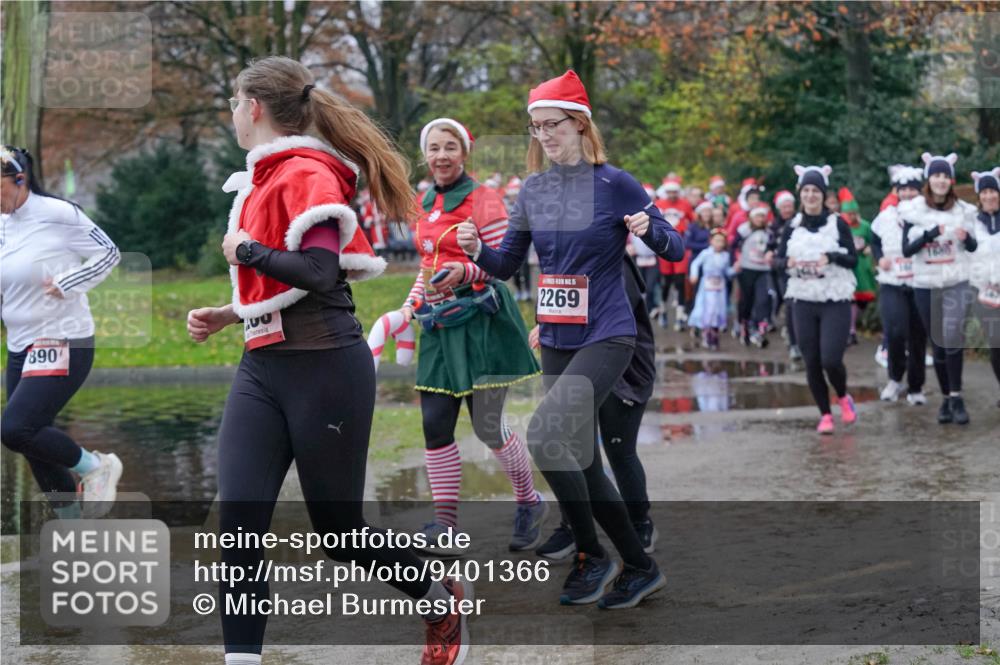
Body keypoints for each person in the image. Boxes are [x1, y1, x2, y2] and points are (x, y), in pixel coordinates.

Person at [185, 56, 470, 665]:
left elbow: (318, 272)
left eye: (234, 103)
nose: (232, 115)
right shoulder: (267, 175)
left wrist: (245, 250)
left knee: (340, 534)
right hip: (262, 367)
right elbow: (286, 283)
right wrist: (233, 312)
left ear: (253, 107)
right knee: (236, 531)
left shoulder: (308, 171)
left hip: (325, 368)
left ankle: (437, 598)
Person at [456, 70, 682, 609]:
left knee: (545, 434)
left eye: (552, 124)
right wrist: (477, 251)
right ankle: (621, 562)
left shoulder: (615, 183)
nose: (543, 135)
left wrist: (650, 231)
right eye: (535, 127)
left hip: (608, 331)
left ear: (579, 123)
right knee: (576, 456)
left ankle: (605, 555)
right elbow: (507, 264)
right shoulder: (533, 190)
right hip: (557, 334)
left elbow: (674, 246)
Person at [400, 118, 545, 555]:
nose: (441, 155)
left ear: (464, 152)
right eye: (434, 147)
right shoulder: (423, 203)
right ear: (425, 154)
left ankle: (529, 501)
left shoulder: (484, 199)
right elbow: (427, 268)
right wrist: (409, 305)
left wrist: (465, 271)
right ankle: (445, 525)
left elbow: (504, 264)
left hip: (482, 320)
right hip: (439, 325)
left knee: (487, 426)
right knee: (434, 424)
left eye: (450, 147)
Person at [1, 145, 123, 520]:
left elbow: (109, 252)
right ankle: (74, 529)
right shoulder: (3, 224)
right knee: (34, 440)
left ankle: (96, 466)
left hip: (62, 337)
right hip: (20, 345)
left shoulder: (58, 213)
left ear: (19, 179)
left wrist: (69, 282)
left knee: (15, 429)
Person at [528, 254, 664, 560]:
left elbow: (610, 317)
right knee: (575, 451)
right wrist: (544, 325)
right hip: (576, 363)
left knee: (619, 450)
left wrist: (554, 325)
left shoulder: (613, 261)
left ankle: (640, 522)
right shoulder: (561, 256)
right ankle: (572, 526)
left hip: (624, 370)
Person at [773, 165, 859, 434]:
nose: (810, 195)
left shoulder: (837, 223)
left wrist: (831, 257)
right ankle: (825, 415)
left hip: (834, 298)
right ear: (801, 194)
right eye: (806, 190)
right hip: (802, 299)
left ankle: (843, 396)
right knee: (811, 361)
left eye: (816, 191)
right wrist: (787, 262)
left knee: (830, 360)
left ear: (823, 195)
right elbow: (777, 261)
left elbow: (853, 259)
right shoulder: (792, 225)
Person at [901, 152, 978, 425]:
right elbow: (906, 249)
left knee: (952, 335)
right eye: (936, 175)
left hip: (956, 281)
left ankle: (957, 397)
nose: (941, 180)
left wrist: (966, 238)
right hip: (926, 284)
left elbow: (973, 246)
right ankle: (946, 398)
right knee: (939, 344)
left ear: (951, 180)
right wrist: (930, 234)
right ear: (928, 179)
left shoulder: (963, 210)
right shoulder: (913, 210)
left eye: (946, 176)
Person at [870, 165, 927, 404]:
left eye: (912, 190)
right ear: (896, 191)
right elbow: (874, 240)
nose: (907, 194)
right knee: (895, 331)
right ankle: (894, 379)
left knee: (917, 337)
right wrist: (879, 257)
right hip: (892, 282)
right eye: (902, 190)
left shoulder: (928, 215)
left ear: (919, 191)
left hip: (921, 283)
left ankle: (916, 387)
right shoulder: (886, 216)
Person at [969, 167, 1000, 402]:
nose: (989, 196)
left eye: (993, 191)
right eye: (984, 192)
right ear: (979, 196)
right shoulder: (971, 223)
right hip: (984, 293)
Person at [732, 204, 775, 347]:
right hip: (746, 269)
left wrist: (771, 253)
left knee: (763, 299)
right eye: (757, 216)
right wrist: (736, 260)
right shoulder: (744, 230)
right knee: (746, 300)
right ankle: (744, 325)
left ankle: (760, 328)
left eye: (762, 216)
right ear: (751, 217)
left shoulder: (769, 232)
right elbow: (733, 245)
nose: (760, 219)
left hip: (763, 269)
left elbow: (773, 247)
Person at [689, 229, 739, 349]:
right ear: (711, 241)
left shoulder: (725, 256)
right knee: (708, 310)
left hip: (720, 288)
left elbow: (726, 272)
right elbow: (695, 263)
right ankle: (706, 334)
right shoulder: (706, 253)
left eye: (721, 241)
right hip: (707, 287)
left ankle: (715, 335)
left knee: (718, 310)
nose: (719, 244)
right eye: (716, 240)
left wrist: (735, 270)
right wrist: (694, 274)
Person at [838, 187, 876, 346]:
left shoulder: (865, 226)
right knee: (850, 299)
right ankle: (850, 330)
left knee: (862, 301)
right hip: (846, 265)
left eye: (854, 213)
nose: (851, 217)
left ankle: (851, 326)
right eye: (848, 214)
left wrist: (870, 248)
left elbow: (874, 242)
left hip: (861, 265)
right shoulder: (839, 226)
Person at [655, 176, 693, 330]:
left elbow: (693, 220)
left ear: (678, 192)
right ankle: (663, 310)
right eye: (669, 192)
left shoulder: (685, 204)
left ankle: (680, 316)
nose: (672, 195)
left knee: (680, 281)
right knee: (666, 282)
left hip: (680, 245)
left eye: (674, 192)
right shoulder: (659, 204)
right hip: (664, 245)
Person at [769, 190, 801, 359]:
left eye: (790, 206)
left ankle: (799, 338)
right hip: (782, 269)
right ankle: (793, 342)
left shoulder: (800, 221)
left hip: (802, 270)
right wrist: (770, 255)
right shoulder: (774, 225)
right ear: (779, 208)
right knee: (789, 303)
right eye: (784, 206)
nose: (788, 209)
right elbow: (771, 246)